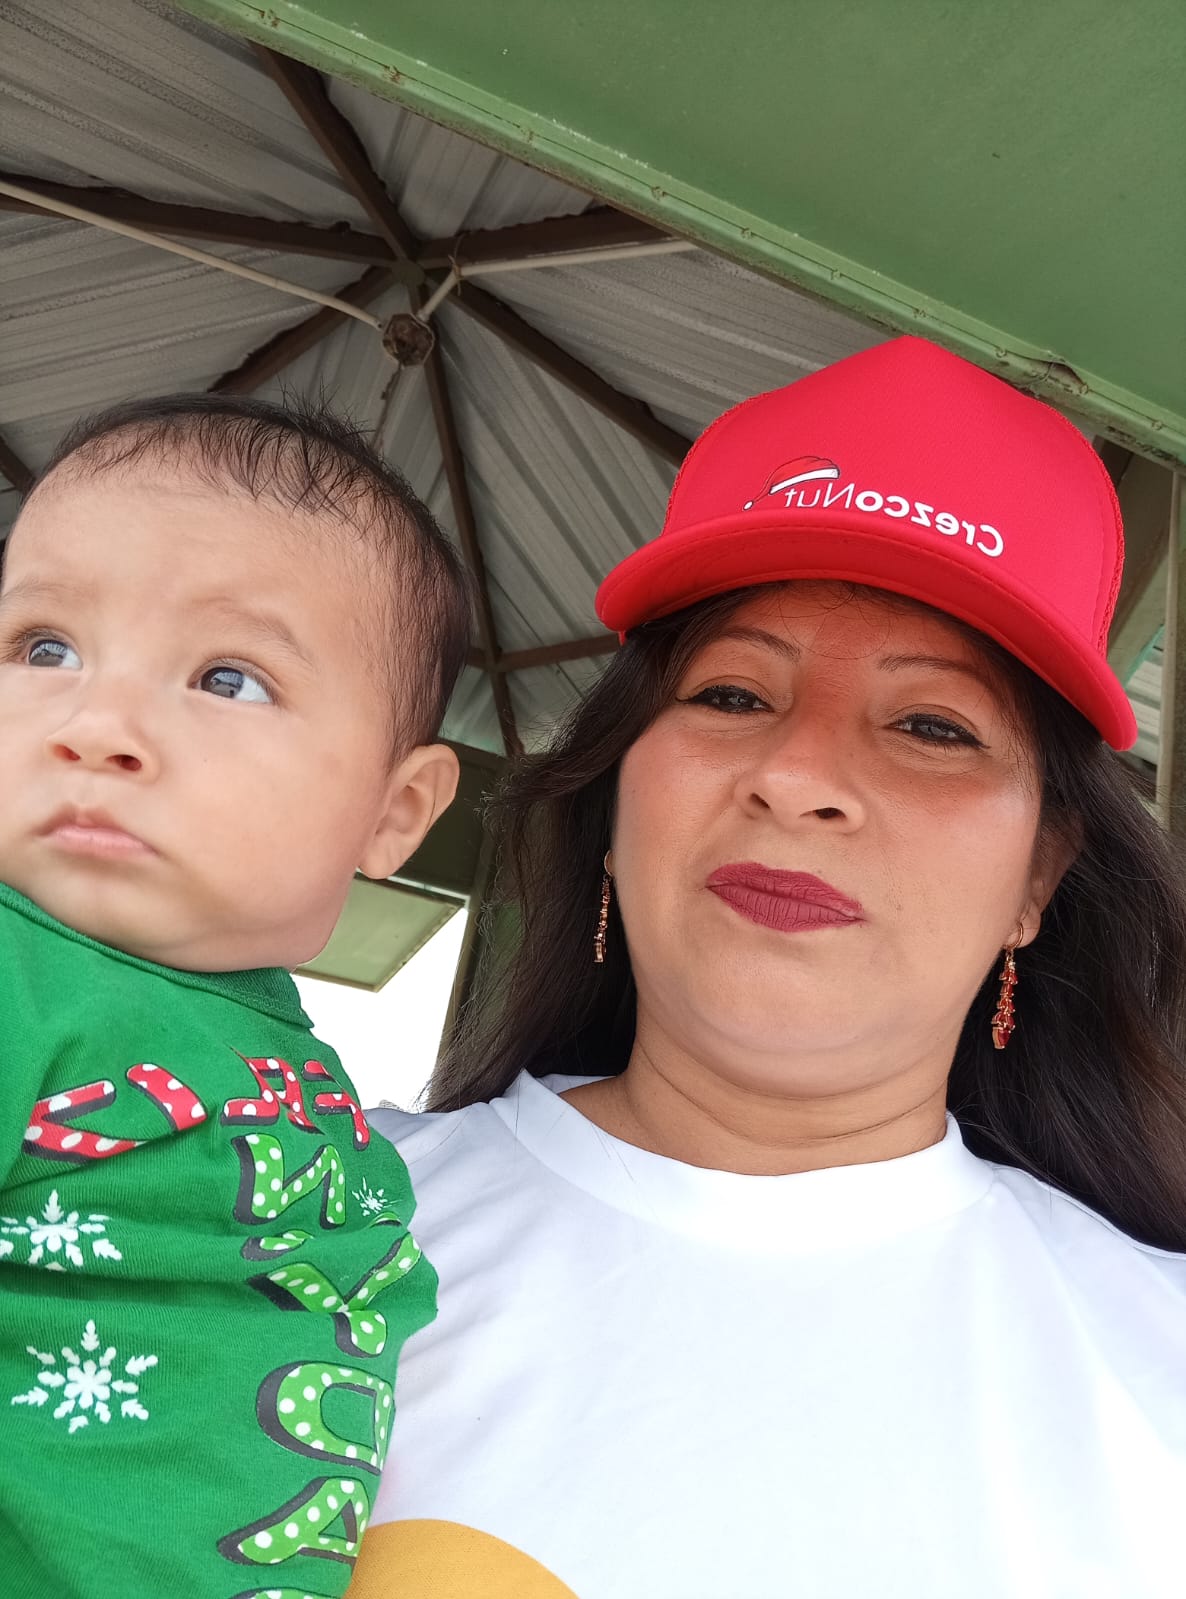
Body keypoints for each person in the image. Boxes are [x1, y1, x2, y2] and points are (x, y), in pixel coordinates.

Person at [352, 337, 1186, 1599]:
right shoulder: (277, 1220)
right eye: (732, 696)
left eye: (931, 725)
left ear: (1038, 878)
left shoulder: (1157, 1362)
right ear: (616, 802)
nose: (795, 778)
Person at [0, 396, 469, 1599]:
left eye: (227, 678)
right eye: (44, 648)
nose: (97, 725)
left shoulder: (275, 1050)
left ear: (393, 814)